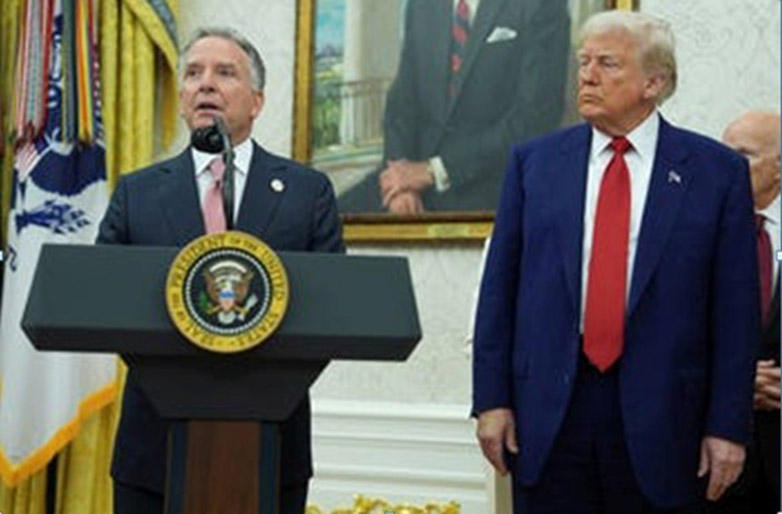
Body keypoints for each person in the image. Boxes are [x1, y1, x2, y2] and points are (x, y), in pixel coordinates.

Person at [472, 10, 759, 514]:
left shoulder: (716, 173)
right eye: (584, 61)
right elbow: (500, 291)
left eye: (607, 64)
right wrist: (491, 401)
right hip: (550, 414)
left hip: (669, 421)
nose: (586, 75)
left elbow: (736, 313)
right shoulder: (534, 163)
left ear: (654, 83)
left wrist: (728, 427)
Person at [97, 27, 344, 514]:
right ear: (182, 99)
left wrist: (260, 384)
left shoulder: (307, 192)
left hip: (273, 443)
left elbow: (333, 307)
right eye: (193, 73)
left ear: (257, 101)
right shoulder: (137, 193)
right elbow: (103, 298)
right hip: (153, 449)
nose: (205, 83)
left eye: (225, 73)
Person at [337, 0, 571, 214]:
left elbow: (533, 120)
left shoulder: (542, 5)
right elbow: (402, 104)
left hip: (487, 181)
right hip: (413, 179)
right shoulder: (423, 5)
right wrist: (399, 183)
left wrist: (434, 171)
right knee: (328, 218)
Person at [708, 111, 780, 514]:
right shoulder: (697, 230)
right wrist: (732, 381)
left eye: (742, 156)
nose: (725, 165)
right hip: (713, 456)